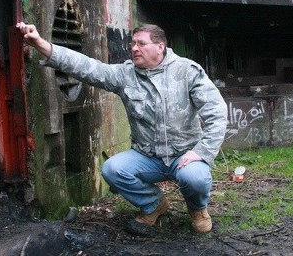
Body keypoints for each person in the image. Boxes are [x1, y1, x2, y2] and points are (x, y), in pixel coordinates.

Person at [16, 22, 228, 233]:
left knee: (195, 178)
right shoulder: (125, 75)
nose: (134, 48)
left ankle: (198, 208)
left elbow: (217, 113)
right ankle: (154, 205)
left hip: (184, 155)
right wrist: (40, 44)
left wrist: (201, 151)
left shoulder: (187, 71)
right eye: (133, 43)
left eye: (141, 43)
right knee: (113, 169)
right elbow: (86, 67)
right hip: (148, 157)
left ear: (160, 47)